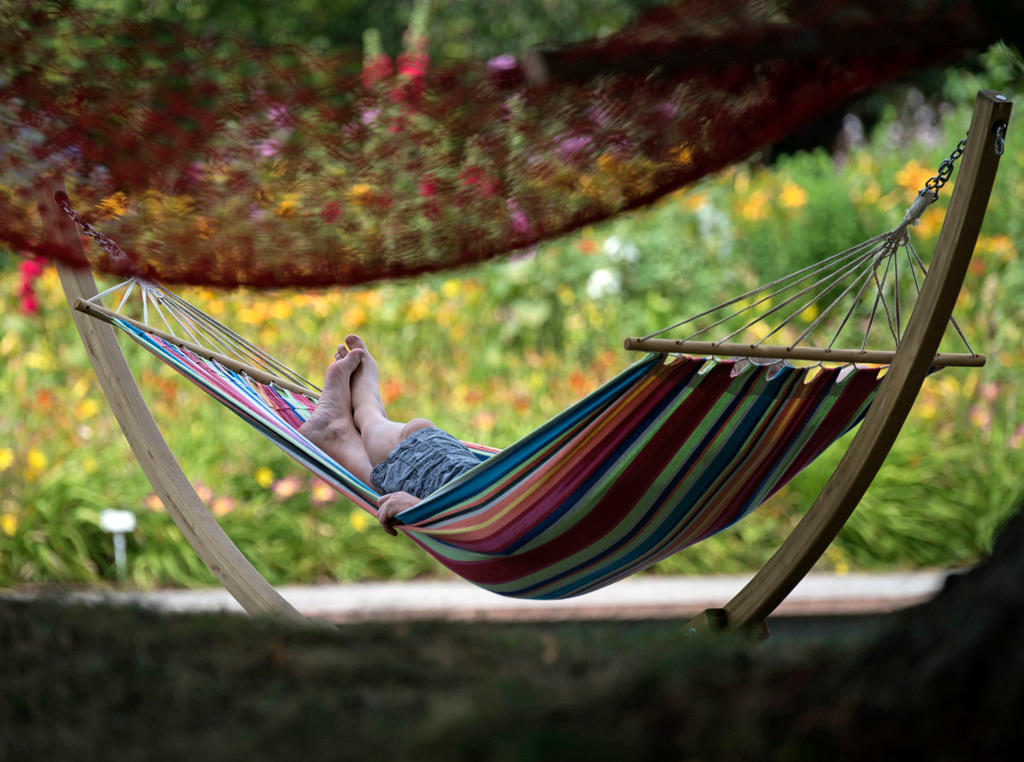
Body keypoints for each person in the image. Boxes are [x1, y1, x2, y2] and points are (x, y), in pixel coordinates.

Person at [299, 335, 479, 534]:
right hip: (497, 527)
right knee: (425, 465)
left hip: (483, 516)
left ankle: (367, 413)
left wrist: (423, 509)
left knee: (422, 445)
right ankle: (339, 436)